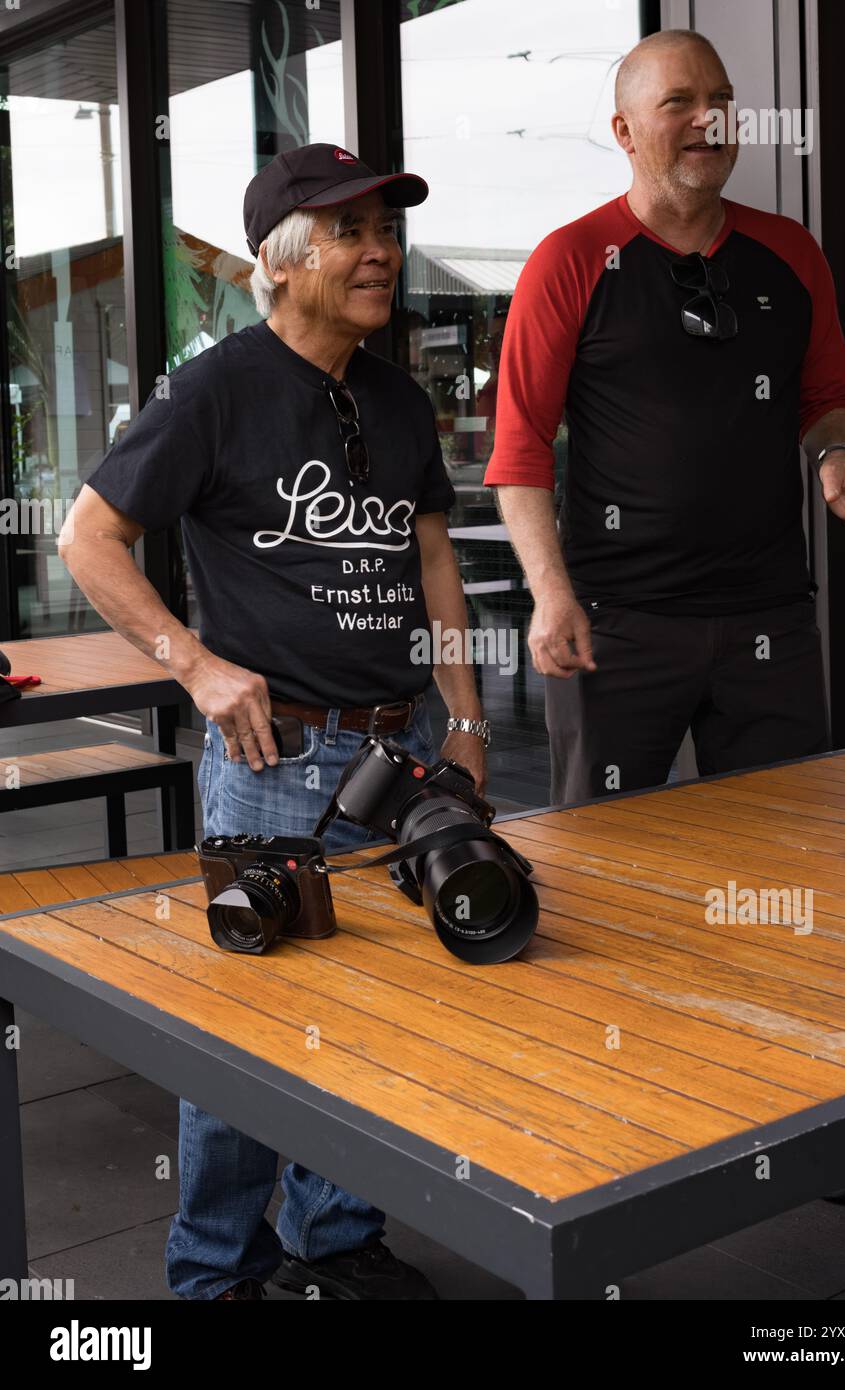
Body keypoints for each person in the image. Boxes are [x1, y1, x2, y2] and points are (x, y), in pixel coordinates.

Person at [59, 143, 490, 1298]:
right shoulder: (212, 390)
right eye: (350, 232)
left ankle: (336, 1246)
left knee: (378, 1018)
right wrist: (196, 667)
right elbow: (88, 539)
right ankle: (216, 1274)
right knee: (248, 1035)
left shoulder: (397, 393)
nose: (380, 252)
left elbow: (431, 553)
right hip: (273, 763)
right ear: (280, 261)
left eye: (384, 230)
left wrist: (466, 714)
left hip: (402, 752)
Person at [483, 30, 845, 1204]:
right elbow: (518, 453)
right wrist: (552, 591)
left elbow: (829, 401)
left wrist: (834, 465)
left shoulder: (787, 255)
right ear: (625, 130)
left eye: (721, 100)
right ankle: (591, 1120)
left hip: (769, 616)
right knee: (594, 884)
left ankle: (804, 1128)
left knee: (785, 885)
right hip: (618, 625)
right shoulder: (572, 260)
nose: (708, 119)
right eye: (680, 102)